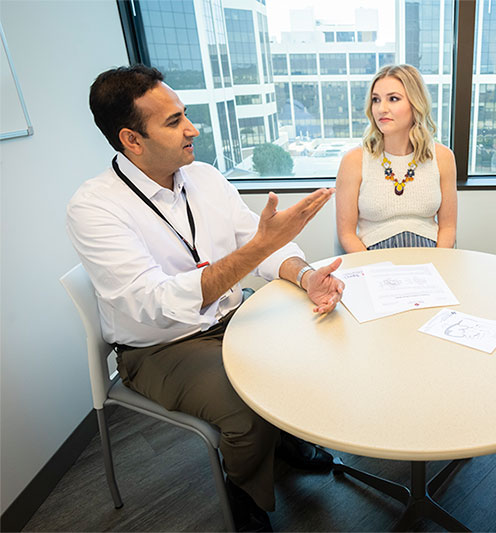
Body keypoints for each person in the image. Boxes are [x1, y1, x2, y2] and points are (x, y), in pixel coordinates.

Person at [67, 65, 345, 532]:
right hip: (161, 345)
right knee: (244, 411)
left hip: (232, 317)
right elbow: (154, 303)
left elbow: (261, 247)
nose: (192, 129)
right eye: (174, 122)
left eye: (186, 115)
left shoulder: (206, 178)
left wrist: (307, 275)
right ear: (132, 140)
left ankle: (279, 443)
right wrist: (259, 246)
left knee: (313, 351)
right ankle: (245, 490)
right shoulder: (93, 208)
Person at [335, 64, 457, 252]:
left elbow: (448, 228)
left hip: (431, 261)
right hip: (372, 261)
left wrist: (437, 264)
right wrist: (376, 270)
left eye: (393, 99)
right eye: (376, 100)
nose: (381, 109)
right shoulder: (353, 161)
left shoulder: (443, 157)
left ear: (415, 103)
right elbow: (346, 235)